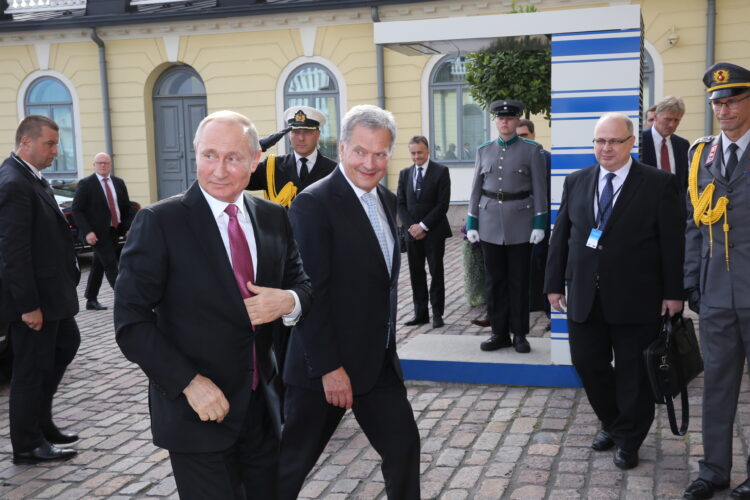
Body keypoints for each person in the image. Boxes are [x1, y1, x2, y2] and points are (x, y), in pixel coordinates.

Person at [114, 110, 312, 499]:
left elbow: (301, 284)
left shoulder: (273, 218)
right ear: (195, 155)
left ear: (255, 160)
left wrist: (287, 301)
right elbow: (130, 322)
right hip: (197, 413)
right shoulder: (160, 221)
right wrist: (188, 382)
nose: (219, 170)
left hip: (262, 411)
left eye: (233, 158)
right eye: (209, 156)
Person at [279, 105, 421, 500]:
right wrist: (329, 368)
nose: (369, 163)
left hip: (376, 364)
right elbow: (311, 294)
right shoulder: (314, 203)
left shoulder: (387, 200)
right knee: (290, 465)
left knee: (404, 448)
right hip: (323, 366)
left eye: (379, 153)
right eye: (360, 151)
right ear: (342, 148)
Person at [545, 112, 684, 471]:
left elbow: (673, 243)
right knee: (587, 364)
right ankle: (614, 422)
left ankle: (629, 439)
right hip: (583, 296)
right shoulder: (576, 181)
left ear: (630, 142)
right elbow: (562, 235)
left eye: (614, 141)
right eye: (599, 141)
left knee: (633, 375)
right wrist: (551, 284)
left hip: (636, 297)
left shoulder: (658, 183)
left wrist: (674, 293)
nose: (605, 148)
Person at [683, 62, 750, 500]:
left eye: (732, 101)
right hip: (717, 290)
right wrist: (691, 279)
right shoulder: (700, 153)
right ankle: (714, 470)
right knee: (718, 384)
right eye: (717, 103)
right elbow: (693, 221)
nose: (723, 110)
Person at [0, 115, 81, 464]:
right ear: (26, 143)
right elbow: (13, 251)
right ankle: (27, 445)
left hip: (54, 296)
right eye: (49, 143)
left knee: (66, 344)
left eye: (56, 143)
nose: (55, 150)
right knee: (30, 371)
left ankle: (41, 420)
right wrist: (27, 305)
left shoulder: (31, 176)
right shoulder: (14, 182)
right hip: (36, 301)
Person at [466, 99, 548, 354]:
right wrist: (471, 221)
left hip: (521, 224)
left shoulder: (532, 150)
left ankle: (520, 334)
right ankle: (498, 333)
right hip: (490, 223)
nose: (505, 121)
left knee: (519, 282)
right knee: (495, 282)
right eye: (501, 118)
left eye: (510, 118)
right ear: (496, 121)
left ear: (516, 121)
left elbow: (539, 189)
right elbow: (476, 189)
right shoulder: (484, 150)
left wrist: (539, 223)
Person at [397, 136, 452, 328]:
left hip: (434, 232)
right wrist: (412, 227)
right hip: (412, 233)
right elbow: (401, 204)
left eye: (420, 152)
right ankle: (420, 313)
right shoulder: (404, 174)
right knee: (415, 273)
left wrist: (424, 226)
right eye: (413, 153)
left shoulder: (441, 171)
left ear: (427, 151)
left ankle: (437, 313)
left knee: (436, 272)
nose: (416, 156)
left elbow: (442, 204)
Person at [71, 152, 134, 311]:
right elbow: (77, 210)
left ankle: (90, 299)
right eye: (99, 163)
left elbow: (126, 208)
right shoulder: (86, 184)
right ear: (94, 165)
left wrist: (127, 227)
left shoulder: (118, 183)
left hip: (113, 230)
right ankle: (125, 300)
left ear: (110, 165)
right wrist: (87, 232)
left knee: (99, 265)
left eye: (106, 163)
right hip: (96, 234)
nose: (103, 165)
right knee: (111, 264)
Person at [247, 105, 337, 208]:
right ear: (289, 134)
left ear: (317, 134)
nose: (301, 138)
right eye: (296, 132)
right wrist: (256, 148)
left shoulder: (333, 170)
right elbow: (239, 178)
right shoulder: (272, 167)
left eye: (307, 132)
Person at [517, 119, 552, 323]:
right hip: (518, 225)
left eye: (525, 136)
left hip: (542, 225)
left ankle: (549, 314)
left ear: (533, 135)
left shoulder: (547, 159)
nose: (521, 140)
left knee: (544, 267)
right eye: (518, 136)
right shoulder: (511, 158)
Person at [640, 96, 690, 205]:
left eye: (676, 120)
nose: (672, 124)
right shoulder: (639, 142)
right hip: (646, 206)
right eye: (668, 119)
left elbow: (685, 181)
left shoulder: (683, 145)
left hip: (676, 208)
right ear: (655, 117)